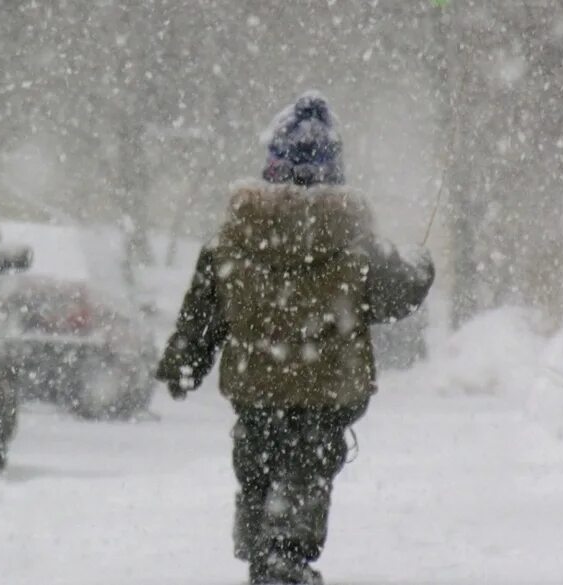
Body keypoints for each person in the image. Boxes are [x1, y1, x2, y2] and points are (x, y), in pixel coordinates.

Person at [156, 92, 434, 585]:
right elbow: (399, 295)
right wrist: (420, 264)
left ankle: (263, 552)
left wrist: (185, 363)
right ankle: (285, 558)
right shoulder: (356, 243)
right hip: (328, 392)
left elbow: (203, 313)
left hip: (255, 386)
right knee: (307, 469)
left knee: (257, 463)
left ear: (271, 167)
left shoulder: (233, 239)